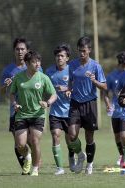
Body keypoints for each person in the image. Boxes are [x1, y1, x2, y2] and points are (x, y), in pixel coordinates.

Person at [10, 50, 57, 176]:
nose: (37, 64)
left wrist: (47, 103)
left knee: (35, 141)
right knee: (20, 145)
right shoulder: (18, 77)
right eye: (34, 62)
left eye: (39, 61)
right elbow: (12, 93)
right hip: (22, 115)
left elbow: (54, 94)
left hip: (38, 115)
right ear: (26, 63)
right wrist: (15, 104)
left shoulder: (43, 77)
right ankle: (28, 157)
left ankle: (35, 168)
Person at [67, 36, 107, 175]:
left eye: (84, 50)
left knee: (89, 138)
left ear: (89, 50)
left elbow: (104, 86)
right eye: (79, 51)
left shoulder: (96, 66)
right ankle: (80, 154)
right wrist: (68, 90)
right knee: (72, 135)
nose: (81, 53)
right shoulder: (72, 65)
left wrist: (94, 81)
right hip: (75, 103)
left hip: (90, 104)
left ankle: (89, 164)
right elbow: (70, 82)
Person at [0, 38, 32, 175]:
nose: (20, 51)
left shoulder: (34, 66)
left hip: (32, 110)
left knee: (32, 140)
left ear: (27, 51)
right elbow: (2, 92)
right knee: (19, 144)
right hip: (15, 111)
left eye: (22, 49)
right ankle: (26, 163)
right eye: (17, 49)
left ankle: (34, 165)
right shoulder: (8, 70)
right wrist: (5, 86)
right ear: (14, 51)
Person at [45, 44, 75, 175]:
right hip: (55, 111)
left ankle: (71, 156)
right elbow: (45, 88)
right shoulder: (49, 72)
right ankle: (60, 168)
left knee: (71, 139)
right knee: (55, 135)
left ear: (67, 58)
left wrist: (69, 90)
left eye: (62, 56)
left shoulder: (72, 70)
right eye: (57, 56)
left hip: (70, 111)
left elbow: (79, 88)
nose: (59, 58)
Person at [103, 51, 125, 167]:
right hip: (116, 111)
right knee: (117, 136)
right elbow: (105, 92)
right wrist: (108, 103)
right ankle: (122, 155)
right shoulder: (112, 76)